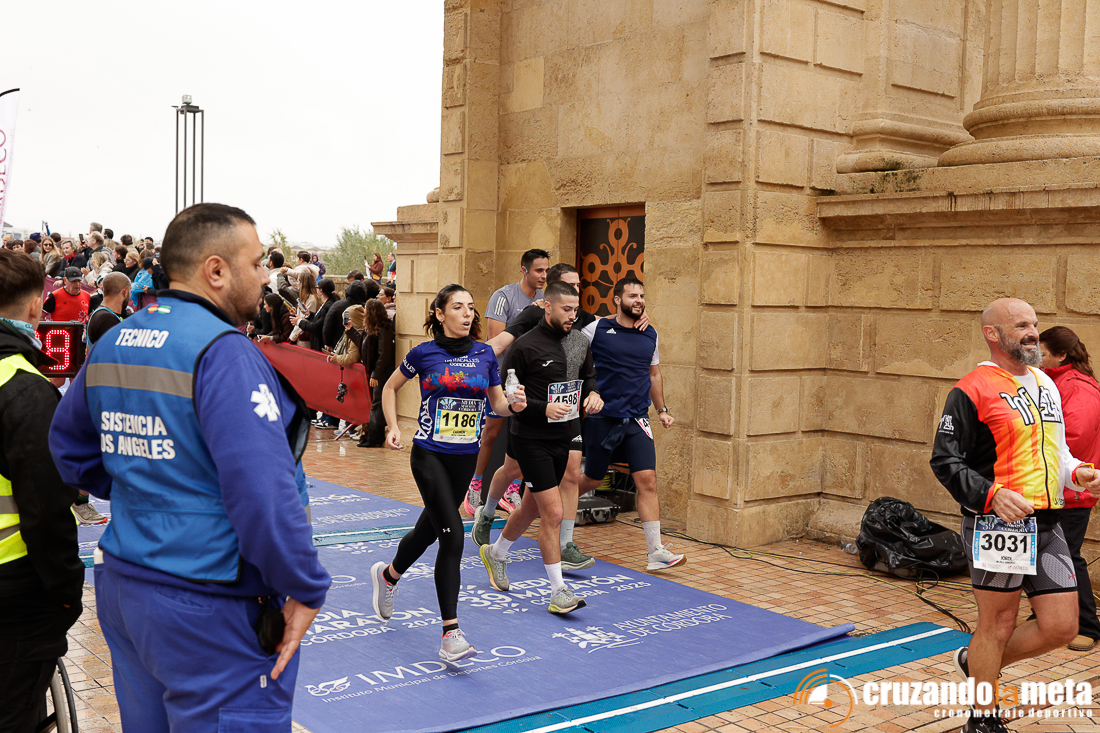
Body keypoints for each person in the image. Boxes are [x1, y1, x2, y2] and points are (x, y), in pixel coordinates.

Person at [49, 202, 331, 731]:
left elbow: (68, 449)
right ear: (216, 270)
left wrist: (151, 489)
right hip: (209, 598)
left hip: (126, 582)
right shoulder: (224, 353)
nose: (265, 277)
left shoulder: (116, 340)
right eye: (257, 263)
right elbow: (264, 491)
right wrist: (305, 583)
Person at [930, 298, 1100, 733]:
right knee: (998, 624)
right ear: (993, 334)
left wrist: (1078, 473)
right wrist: (991, 495)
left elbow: (1057, 452)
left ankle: (976, 663)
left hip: (1047, 522)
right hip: (997, 525)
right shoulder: (971, 389)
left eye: (1034, 324)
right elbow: (945, 460)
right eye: (1022, 325)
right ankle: (982, 718)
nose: (1032, 333)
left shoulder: (1045, 383)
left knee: (1062, 626)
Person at [370, 284, 526, 663]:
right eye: (458, 307)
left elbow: (497, 404)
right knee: (453, 536)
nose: (467, 313)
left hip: (465, 458)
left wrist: (515, 405)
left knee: (427, 531)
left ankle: (388, 576)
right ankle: (450, 633)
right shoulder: (423, 353)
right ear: (440, 314)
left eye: (471, 307)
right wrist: (393, 426)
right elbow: (390, 388)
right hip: (429, 456)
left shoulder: (484, 355)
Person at [471, 264, 619, 570]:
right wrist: (469, 364)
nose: (575, 293)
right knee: (512, 471)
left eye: (578, 287)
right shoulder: (531, 319)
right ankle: (487, 513)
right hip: (531, 423)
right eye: (569, 286)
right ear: (549, 296)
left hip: (567, 422)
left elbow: (593, 360)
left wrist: (593, 393)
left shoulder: (577, 323)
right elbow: (501, 345)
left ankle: (565, 544)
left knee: (570, 473)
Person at [0, 250, 85, 733]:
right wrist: (66, 592)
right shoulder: (22, 386)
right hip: (16, 592)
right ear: (37, 305)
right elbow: (48, 507)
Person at [574, 276, 684, 572]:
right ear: (617, 300)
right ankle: (558, 517)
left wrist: (662, 410)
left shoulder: (650, 334)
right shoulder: (596, 329)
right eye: (633, 296)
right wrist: (587, 394)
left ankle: (655, 551)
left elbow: (654, 374)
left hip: (636, 418)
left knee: (648, 480)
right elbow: (574, 360)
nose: (639, 300)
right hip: (602, 417)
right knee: (591, 479)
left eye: (642, 296)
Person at [466, 249, 551, 512]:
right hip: (501, 379)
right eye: (538, 270)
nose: (543, 276)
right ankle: (474, 486)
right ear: (524, 270)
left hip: (532, 381)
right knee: (490, 433)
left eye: (547, 270)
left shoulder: (546, 299)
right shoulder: (503, 297)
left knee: (528, 436)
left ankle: (512, 491)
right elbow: (497, 343)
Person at [1038, 326, 1100, 652]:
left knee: (1069, 558)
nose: (1036, 359)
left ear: (1061, 355)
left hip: (1072, 491)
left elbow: (1071, 442)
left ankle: (1087, 625)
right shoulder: (1055, 383)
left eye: (1042, 354)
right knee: (1046, 557)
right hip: (1058, 489)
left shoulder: (1077, 388)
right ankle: (1045, 617)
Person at [359, 299, 395, 448]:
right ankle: (372, 435)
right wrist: (350, 330)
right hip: (376, 370)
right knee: (376, 403)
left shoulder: (384, 329)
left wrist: (376, 374)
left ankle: (375, 437)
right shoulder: (372, 328)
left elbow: (383, 354)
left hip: (382, 372)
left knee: (377, 403)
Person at [292, 278, 337, 352]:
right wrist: (309, 314)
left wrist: (299, 322)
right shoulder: (326, 304)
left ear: (321, 290)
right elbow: (318, 318)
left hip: (321, 343)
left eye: (317, 288)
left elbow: (316, 326)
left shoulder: (328, 306)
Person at [85, 272, 131, 346]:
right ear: (125, 291)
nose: (130, 294)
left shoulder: (102, 314)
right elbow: (116, 351)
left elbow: (88, 349)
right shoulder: (106, 318)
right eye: (130, 290)